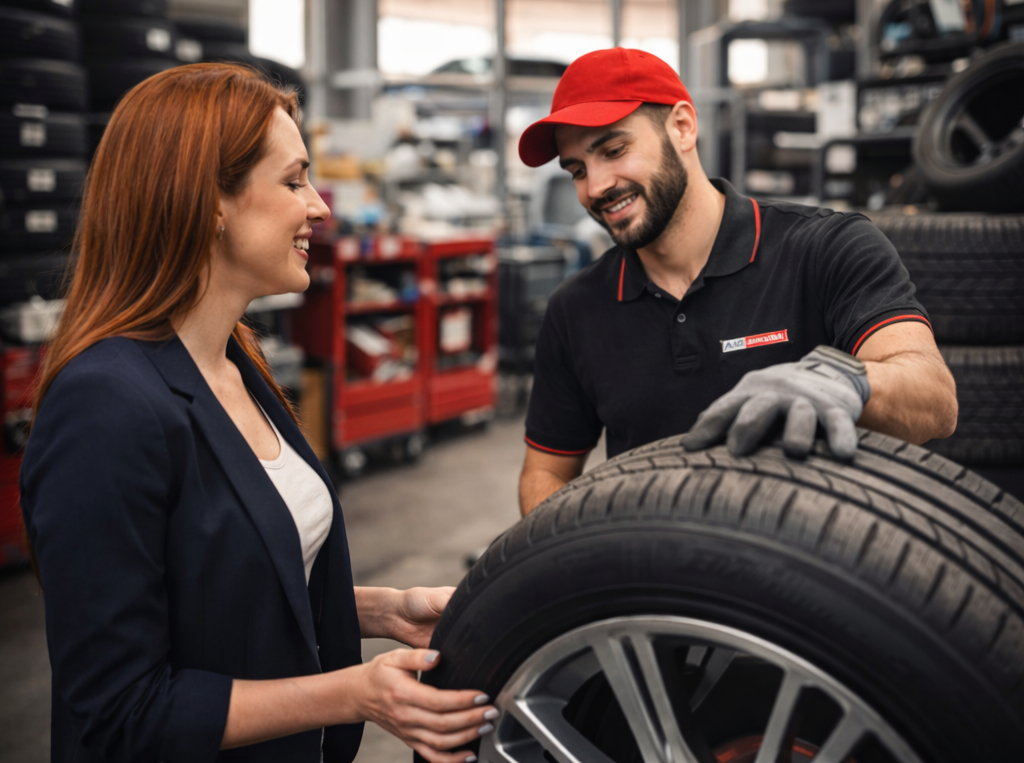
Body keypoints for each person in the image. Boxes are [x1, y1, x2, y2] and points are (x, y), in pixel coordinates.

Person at [20, 64, 493, 763]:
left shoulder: (234, 360)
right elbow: (121, 710)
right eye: (294, 180)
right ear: (210, 201)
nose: (321, 207)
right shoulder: (105, 405)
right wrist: (354, 692)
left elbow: (221, 587)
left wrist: (377, 610)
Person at [517, 48, 958, 515]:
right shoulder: (576, 309)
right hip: (654, 574)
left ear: (682, 127)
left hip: (819, 565)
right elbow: (547, 472)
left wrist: (849, 383)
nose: (596, 187)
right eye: (578, 170)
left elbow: (934, 399)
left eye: (614, 150)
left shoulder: (826, 248)